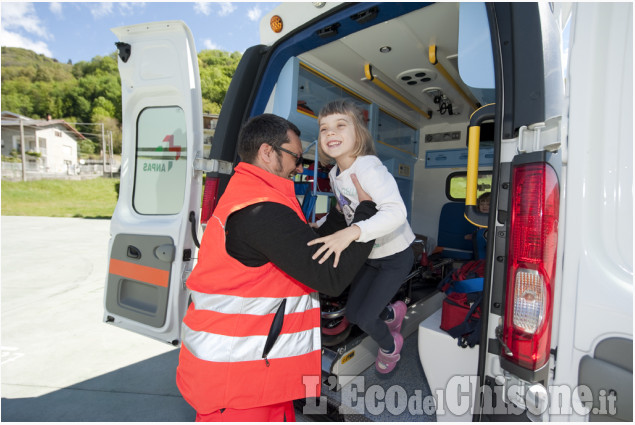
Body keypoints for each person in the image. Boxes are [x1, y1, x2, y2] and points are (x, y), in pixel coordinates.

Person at [176, 113, 378, 422]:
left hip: (257, 376)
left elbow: (309, 250)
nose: (300, 167)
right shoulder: (260, 210)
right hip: (239, 387)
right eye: (296, 158)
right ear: (268, 152)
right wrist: (368, 216)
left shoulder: (254, 197)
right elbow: (330, 276)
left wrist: (341, 212)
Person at [308, 99, 416, 374]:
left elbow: (396, 212)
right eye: (324, 129)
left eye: (340, 126)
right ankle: (392, 313)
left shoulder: (368, 167)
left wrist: (353, 232)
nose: (330, 133)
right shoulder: (334, 173)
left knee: (366, 318)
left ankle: (391, 345)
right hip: (369, 254)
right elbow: (344, 208)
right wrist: (320, 227)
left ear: (359, 133)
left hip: (394, 254)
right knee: (354, 315)